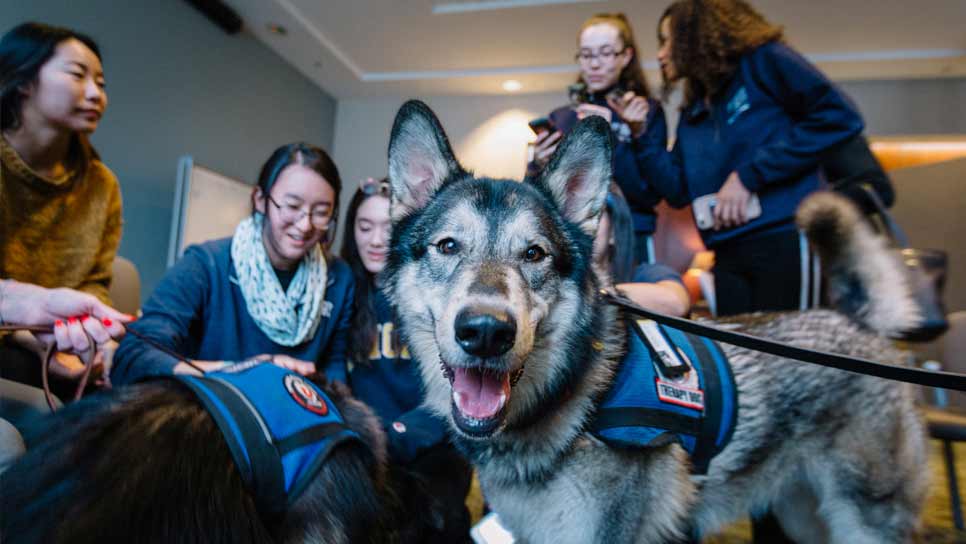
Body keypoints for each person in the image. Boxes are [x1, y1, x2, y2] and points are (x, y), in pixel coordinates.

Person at [635, 0, 864, 317]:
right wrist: (643, 133)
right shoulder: (694, 110)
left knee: (791, 355)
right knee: (739, 356)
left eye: (667, 40)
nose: (660, 54)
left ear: (696, 35)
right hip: (726, 251)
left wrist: (748, 177)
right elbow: (677, 190)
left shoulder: (763, 60)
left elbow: (841, 117)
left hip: (783, 238)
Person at [110, 143, 354, 385]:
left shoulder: (338, 279)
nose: (305, 225)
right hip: (212, 413)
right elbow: (135, 355)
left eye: (321, 212)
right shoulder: (206, 264)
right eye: (292, 206)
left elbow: (334, 373)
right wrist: (245, 371)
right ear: (260, 199)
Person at [341, 177, 473, 541]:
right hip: (366, 457)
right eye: (364, 227)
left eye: (389, 227)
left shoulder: (434, 296)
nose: (376, 239)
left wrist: (396, 437)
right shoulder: (343, 293)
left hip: (431, 454)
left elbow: (454, 391)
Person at [1, 22, 123, 388]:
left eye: (101, 84)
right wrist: (27, 335)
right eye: (77, 75)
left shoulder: (102, 186)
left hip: (57, 352)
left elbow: (94, 283)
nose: (96, 94)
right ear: (23, 81)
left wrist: (86, 339)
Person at [528, 13, 666, 264]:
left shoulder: (646, 111)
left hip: (633, 231)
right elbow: (535, 198)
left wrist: (634, 133)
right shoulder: (561, 118)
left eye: (605, 53)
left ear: (626, 56)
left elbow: (652, 193)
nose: (594, 64)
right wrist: (536, 165)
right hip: (570, 235)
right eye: (587, 54)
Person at [594, 187, 690, 317]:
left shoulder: (645, 274)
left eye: (592, 215)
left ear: (613, 232)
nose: (580, 225)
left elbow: (675, 303)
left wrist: (596, 294)